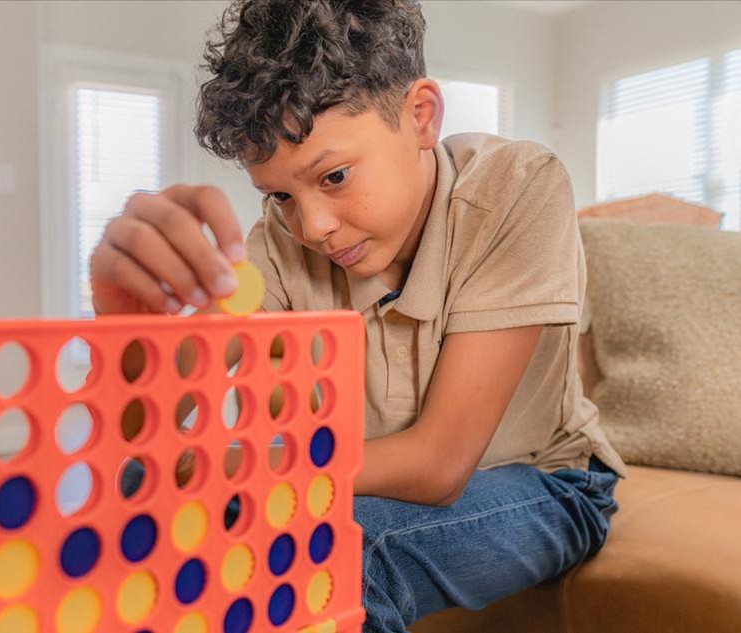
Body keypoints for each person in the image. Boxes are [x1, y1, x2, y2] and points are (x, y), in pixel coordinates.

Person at [90, 1, 627, 630]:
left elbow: (438, 467)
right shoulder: (281, 241)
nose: (312, 226)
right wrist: (126, 323)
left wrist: (233, 466)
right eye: (281, 195)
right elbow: (149, 437)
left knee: (336, 553)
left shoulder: (518, 186)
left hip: (546, 481)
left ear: (420, 115)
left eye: (336, 176)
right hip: (349, 477)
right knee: (139, 492)